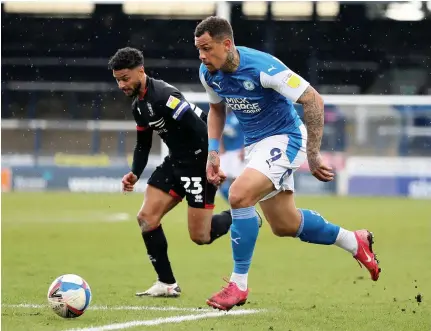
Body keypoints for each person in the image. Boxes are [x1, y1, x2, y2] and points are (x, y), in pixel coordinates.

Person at [194, 16, 381, 311]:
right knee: (285, 224)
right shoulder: (209, 73)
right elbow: (216, 111)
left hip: (286, 138)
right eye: (198, 50)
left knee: (239, 196)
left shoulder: (264, 67)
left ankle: (238, 285)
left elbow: (313, 99)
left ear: (226, 44)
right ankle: (353, 240)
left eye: (207, 48)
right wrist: (213, 154)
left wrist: (314, 154)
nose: (202, 56)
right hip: (257, 145)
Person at [108, 47, 235, 297]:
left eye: (125, 78)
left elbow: (200, 127)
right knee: (146, 218)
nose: (121, 84)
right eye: (117, 80)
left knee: (201, 236)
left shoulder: (164, 96)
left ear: (140, 71)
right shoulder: (139, 105)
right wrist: (134, 173)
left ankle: (242, 215)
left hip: (198, 163)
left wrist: (213, 162)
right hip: (175, 161)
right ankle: (167, 283)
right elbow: (143, 143)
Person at [218, 108, 245, 202]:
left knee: (235, 179)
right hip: (226, 152)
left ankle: (236, 200)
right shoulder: (224, 118)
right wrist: (220, 148)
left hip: (237, 152)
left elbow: (246, 133)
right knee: (220, 178)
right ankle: (229, 199)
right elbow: (219, 133)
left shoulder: (240, 118)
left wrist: (243, 149)